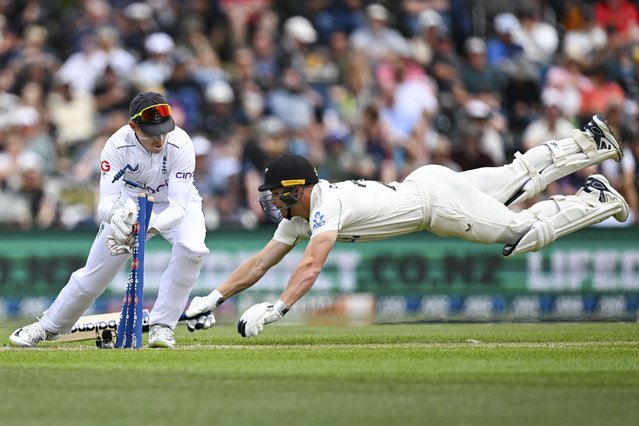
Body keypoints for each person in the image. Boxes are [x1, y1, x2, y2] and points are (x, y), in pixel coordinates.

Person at [184, 115, 628, 338]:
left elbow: (311, 267)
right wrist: (213, 297)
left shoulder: (323, 204)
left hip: (436, 204)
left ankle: (597, 200)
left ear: (297, 188)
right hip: (426, 181)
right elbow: (261, 261)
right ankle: (588, 141)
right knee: (514, 177)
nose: (271, 202)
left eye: (276, 193)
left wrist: (276, 308)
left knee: (519, 233)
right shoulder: (300, 213)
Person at [10, 92, 209, 348]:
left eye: (163, 131)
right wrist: (119, 217)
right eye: (152, 132)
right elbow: (105, 202)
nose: (159, 139)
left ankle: (162, 326)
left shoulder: (180, 143)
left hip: (172, 203)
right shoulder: (116, 145)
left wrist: (146, 227)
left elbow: (179, 206)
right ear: (134, 126)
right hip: (129, 205)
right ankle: (46, 327)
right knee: (94, 276)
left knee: (193, 249)